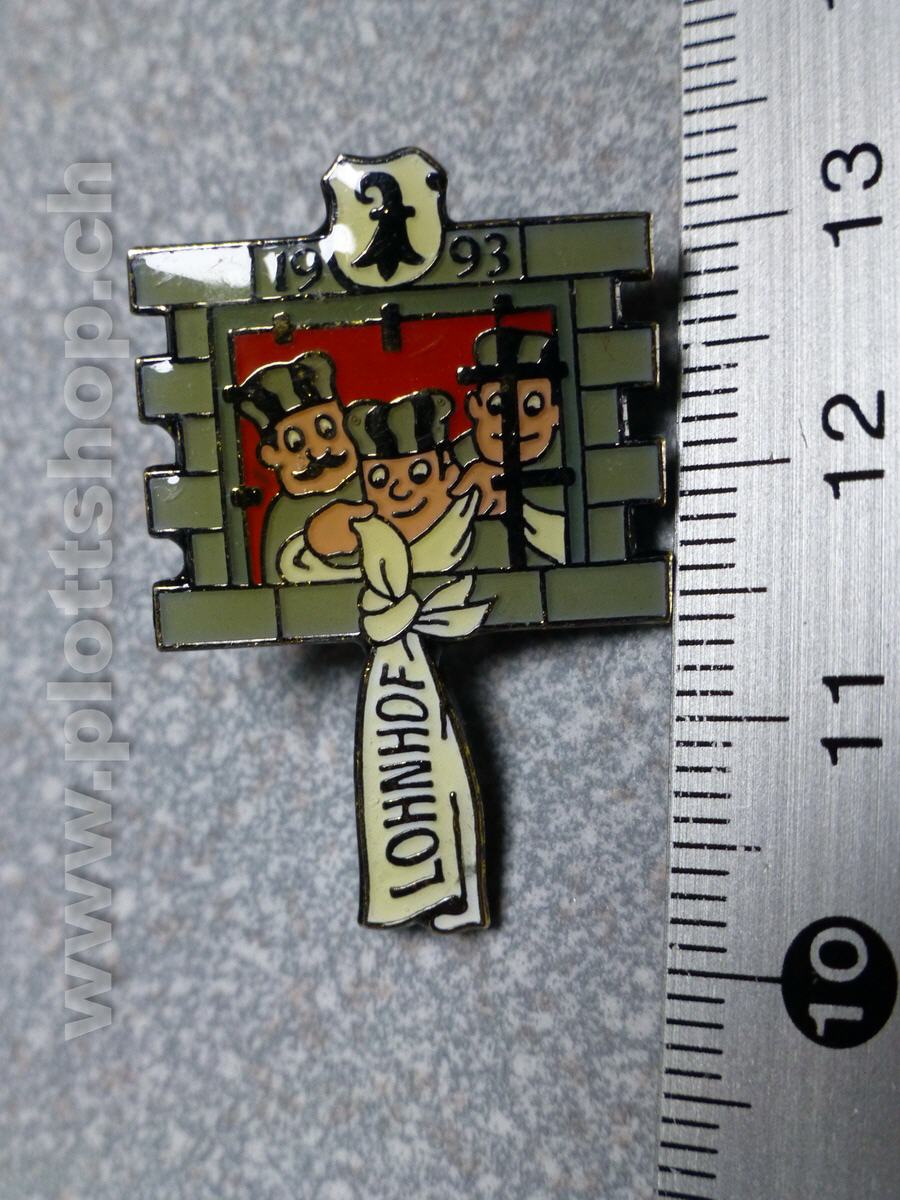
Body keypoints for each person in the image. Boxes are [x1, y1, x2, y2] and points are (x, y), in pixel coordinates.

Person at [283, 389, 479, 580]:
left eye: (419, 474)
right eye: (378, 480)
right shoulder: (371, 534)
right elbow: (307, 554)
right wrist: (326, 533)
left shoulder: (476, 507)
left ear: (447, 467)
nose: (399, 492)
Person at [230, 351, 361, 583]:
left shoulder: (374, 483)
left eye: (327, 430)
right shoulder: (283, 517)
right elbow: (280, 575)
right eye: (295, 443)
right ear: (271, 455)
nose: (319, 452)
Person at [453, 326, 568, 565]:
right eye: (496, 406)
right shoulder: (460, 474)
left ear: (555, 412)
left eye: (533, 407)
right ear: (475, 406)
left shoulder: (566, 468)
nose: (514, 422)